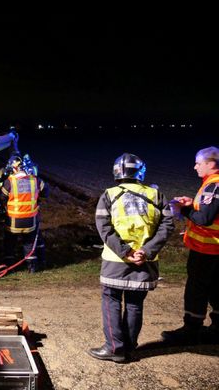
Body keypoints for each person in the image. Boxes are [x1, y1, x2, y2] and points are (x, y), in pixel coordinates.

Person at [89, 153, 174, 362]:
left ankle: (114, 348)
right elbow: (168, 225)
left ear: (117, 172)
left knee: (111, 301)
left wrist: (126, 252)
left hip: (116, 261)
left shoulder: (108, 195)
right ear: (140, 172)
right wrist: (146, 250)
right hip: (146, 262)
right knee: (135, 304)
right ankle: (128, 347)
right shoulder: (157, 195)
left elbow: (104, 228)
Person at [161, 146, 219, 344]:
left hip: (208, 248)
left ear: (210, 164)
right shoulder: (212, 184)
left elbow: (204, 218)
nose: (195, 167)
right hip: (214, 249)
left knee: (197, 288)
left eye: (198, 163)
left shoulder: (214, 185)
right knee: (216, 287)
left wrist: (182, 210)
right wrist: (191, 203)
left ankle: (191, 329)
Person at [0, 155, 48, 273]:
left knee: (9, 243)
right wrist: (37, 200)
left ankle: (9, 267)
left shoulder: (9, 182)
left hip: (13, 221)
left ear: (13, 168)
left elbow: (2, 198)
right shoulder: (35, 180)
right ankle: (32, 267)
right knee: (29, 243)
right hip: (30, 220)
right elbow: (45, 192)